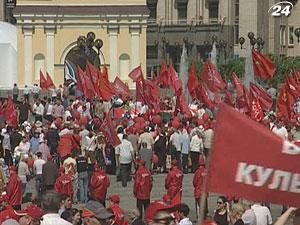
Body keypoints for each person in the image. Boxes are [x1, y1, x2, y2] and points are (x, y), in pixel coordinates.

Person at [193, 154, 207, 218]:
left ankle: (199, 217)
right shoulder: (207, 171)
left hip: (198, 191)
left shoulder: (197, 172)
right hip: (205, 191)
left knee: (198, 205)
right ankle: (204, 215)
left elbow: (194, 182)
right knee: (204, 204)